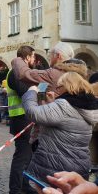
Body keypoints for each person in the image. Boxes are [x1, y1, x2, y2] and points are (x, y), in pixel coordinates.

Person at [22, 72, 98, 185]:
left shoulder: (64, 106)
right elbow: (67, 121)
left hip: (57, 167)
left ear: (67, 85)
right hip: (79, 167)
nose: (57, 89)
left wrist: (31, 92)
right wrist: (54, 102)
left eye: (59, 86)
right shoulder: (89, 106)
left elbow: (33, 112)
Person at [8, 46, 37, 194]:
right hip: (20, 120)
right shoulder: (15, 72)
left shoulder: (24, 73)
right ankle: (15, 189)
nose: (35, 60)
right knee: (22, 156)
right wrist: (35, 88)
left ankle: (24, 184)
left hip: (26, 119)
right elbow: (23, 92)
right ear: (26, 58)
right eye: (33, 57)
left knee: (29, 155)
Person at [11, 42, 88, 97]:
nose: (49, 57)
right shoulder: (80, 73)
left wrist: (18, 59)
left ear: (58, 56)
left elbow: (24, 74)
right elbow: (41, 94)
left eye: (51, 54)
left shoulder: (53, 74)